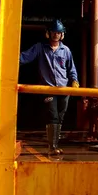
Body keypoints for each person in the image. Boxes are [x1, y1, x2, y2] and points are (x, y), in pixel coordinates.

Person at [19, 19, 79, 155]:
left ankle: (55, 145)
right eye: (53, 32)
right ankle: (52, 148)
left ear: (62, 34)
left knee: (60, 116)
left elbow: (71, 68)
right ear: (48, 33)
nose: (56, 35)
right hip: (48, 89)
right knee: (53, 116)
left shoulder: (66, 51)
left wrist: (74, 80)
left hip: (63, 90)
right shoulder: (40, 48)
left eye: (59, 32)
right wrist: (10, 60)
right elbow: (25, 57)